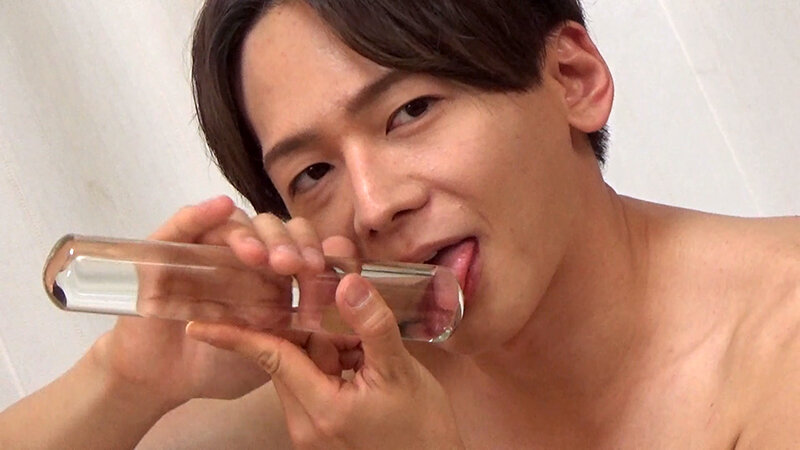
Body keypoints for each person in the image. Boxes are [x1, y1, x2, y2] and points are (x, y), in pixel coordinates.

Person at [2, 0, 799, 447]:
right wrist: (127, 382)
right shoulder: (362, 385)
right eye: (313, 174)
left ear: (573, 78)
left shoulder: (779, 338)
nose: (375, 204)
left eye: (411, 111)